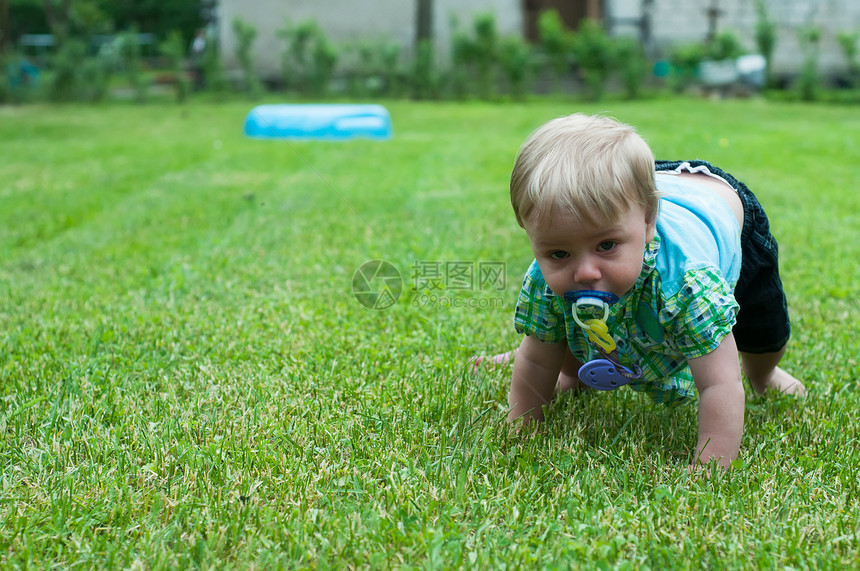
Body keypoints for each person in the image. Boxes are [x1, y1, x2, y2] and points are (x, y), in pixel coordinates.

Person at [488, 113, 805, 470]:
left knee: (763, 334)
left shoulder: (687, 285)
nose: (586, 272)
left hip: (723, 209)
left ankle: (765, 374)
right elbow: (534, 358)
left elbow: (719, 384)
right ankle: (574, 374)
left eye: (607, 246)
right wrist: (522, 431)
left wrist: (711, 467)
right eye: (558, 253)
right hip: (640, 190)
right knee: (566, 324)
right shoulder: (548, 281)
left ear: (648, 221)